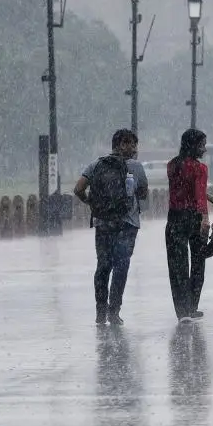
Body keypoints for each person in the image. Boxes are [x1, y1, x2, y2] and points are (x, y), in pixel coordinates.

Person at [74, 129, 148, 326]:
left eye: (134, 144)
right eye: (130, 143)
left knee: (103, 266)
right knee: (121, 267)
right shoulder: (136, 167)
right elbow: (143, 194)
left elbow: (78, 189)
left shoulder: (96, 164)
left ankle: (100, 311)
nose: (133, 148)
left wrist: (91, 202)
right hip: (127, 223)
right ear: (121, 145)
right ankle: (114, 311)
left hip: (103, 223)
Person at [167, 129, 213, 323]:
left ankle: (182, 311)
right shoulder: (200, 168)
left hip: (174, 218)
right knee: (198, 263)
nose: (204, 149)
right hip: (194, 218)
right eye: (202, 145)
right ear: (193, 145)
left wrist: (207, 195)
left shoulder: (172, 165)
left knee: (177, 265)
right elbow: (197, 195)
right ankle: (192, 305)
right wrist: (205, 218)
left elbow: (183, 190)